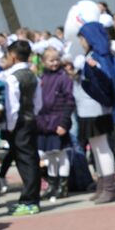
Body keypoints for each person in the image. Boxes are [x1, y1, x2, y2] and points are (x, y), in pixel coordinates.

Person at [75, 18, 115, 204]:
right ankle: (103, 184)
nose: (81, 41)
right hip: (88, 109)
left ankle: (110, 187)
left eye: (83, 38)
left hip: (97, 109)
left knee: (102, 147)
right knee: (96, 147)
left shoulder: (99, 56)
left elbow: (106, 83)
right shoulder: (97, 55)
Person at [0, 40, 42, 216]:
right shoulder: (34, 76)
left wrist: (10, 126)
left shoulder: (12, 78)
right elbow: (39, 102)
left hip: (19, 123)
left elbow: (12, 106)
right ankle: (32, 198)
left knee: (25, 160)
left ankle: (29, 200)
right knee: (31, 158)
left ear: (14, 56)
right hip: (31, 119)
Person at [36, 48, 76, 203]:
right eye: (50, 60)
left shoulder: (63, 77)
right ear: (44, 62)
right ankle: (52, 185)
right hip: (45, 121)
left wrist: (64, 122)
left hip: (58, 119)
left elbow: (69, 100)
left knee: (61, 153)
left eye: (56, 60)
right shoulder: (42, 77)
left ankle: (63, 185)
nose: (54, 63)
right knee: (50, 154)